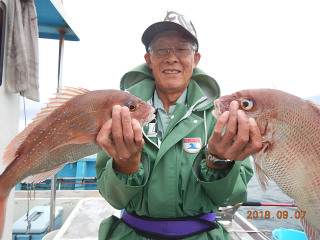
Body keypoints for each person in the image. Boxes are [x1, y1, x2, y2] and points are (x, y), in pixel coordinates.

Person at [95, 10, 262, 240]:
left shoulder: (224, 116)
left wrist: (218, 163)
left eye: (182, 48)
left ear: (195, 59)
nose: (171, 57)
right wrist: (127, 163)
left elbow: (231, 198)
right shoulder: (120, 112)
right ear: (149, 60)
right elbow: (114, 198)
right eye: (160, 48)